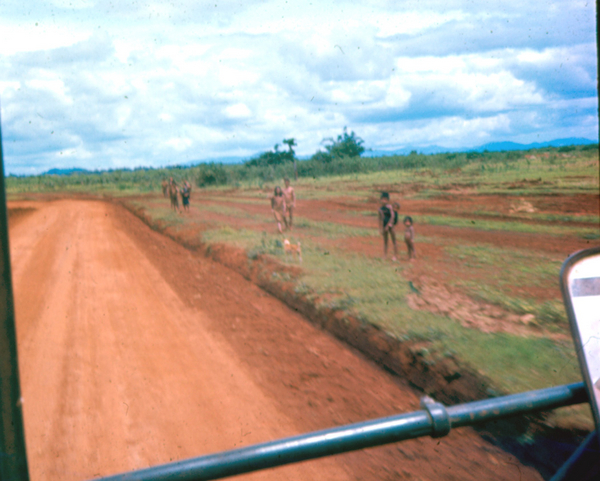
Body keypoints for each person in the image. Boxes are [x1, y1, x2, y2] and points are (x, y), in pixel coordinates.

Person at [378, 192, 397, 261]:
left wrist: (388, 225)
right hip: (384, 226)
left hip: (391, 226)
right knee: (385, 241)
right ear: (381, 200)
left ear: (388, 200)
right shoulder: (380, 209)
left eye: (385, 199)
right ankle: (385, 255)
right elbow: (380, 219)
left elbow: (392, 216)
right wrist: (380, 229)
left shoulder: (390, 207)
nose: (384, 201)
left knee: (394, 240)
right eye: (383, 199)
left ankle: (395, 255)